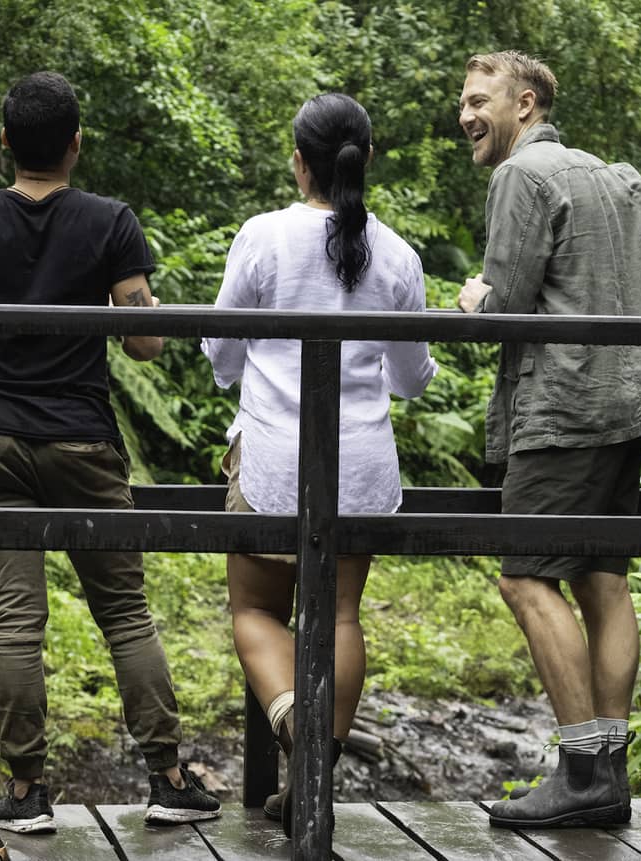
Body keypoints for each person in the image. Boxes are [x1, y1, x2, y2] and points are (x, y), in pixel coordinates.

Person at [0, 70, 219, 833]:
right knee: (124, 612)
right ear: (76, 145)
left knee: (17, 618)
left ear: (4, 144)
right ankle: (167, 777)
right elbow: (147, 341)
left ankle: (25, 795)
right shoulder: (111, 221)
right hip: (82, 437)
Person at [454, 51, 641, 829]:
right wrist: (631, 271)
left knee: (526, 576)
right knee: (601, 577)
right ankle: (608, 768)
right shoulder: (619, 176)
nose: (466, 115)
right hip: (636, 400)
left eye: (479, 101)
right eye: (463, 103)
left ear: (524, 104)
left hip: (567, 406)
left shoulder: (522, 177)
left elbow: (506, 302)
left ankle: (582, 770)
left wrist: (477, 300)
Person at [202, 93, 438, 832]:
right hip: (362, 466)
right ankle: (318, 764)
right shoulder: (398, 253)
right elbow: (411, 377)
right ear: (365, 161)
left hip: (274, 458)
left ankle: (297, 737)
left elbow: (218, 352)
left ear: (298, 162)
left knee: (254, 610)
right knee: (338, 611)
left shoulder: (264, 237)